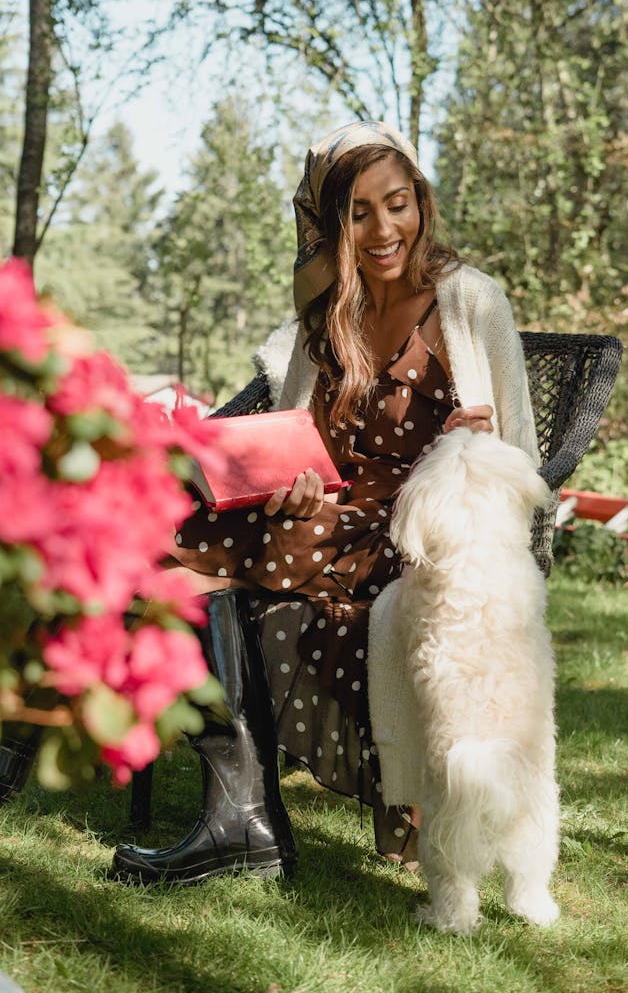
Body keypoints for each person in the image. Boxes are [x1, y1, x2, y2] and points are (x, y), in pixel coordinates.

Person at [111, 120, 539, 884]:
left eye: (398, 203)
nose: (384, 230)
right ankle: (239, 817)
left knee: (178, 575)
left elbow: (523, 463)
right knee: (159, 543)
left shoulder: (471, 301)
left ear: (423, 203)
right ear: (334, 224)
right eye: (359, 212)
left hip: (414, 531)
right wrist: (293, 480)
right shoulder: (333, 311)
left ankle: (239, 822)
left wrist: (467, 446)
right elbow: (308, 440)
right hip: (325, 517)